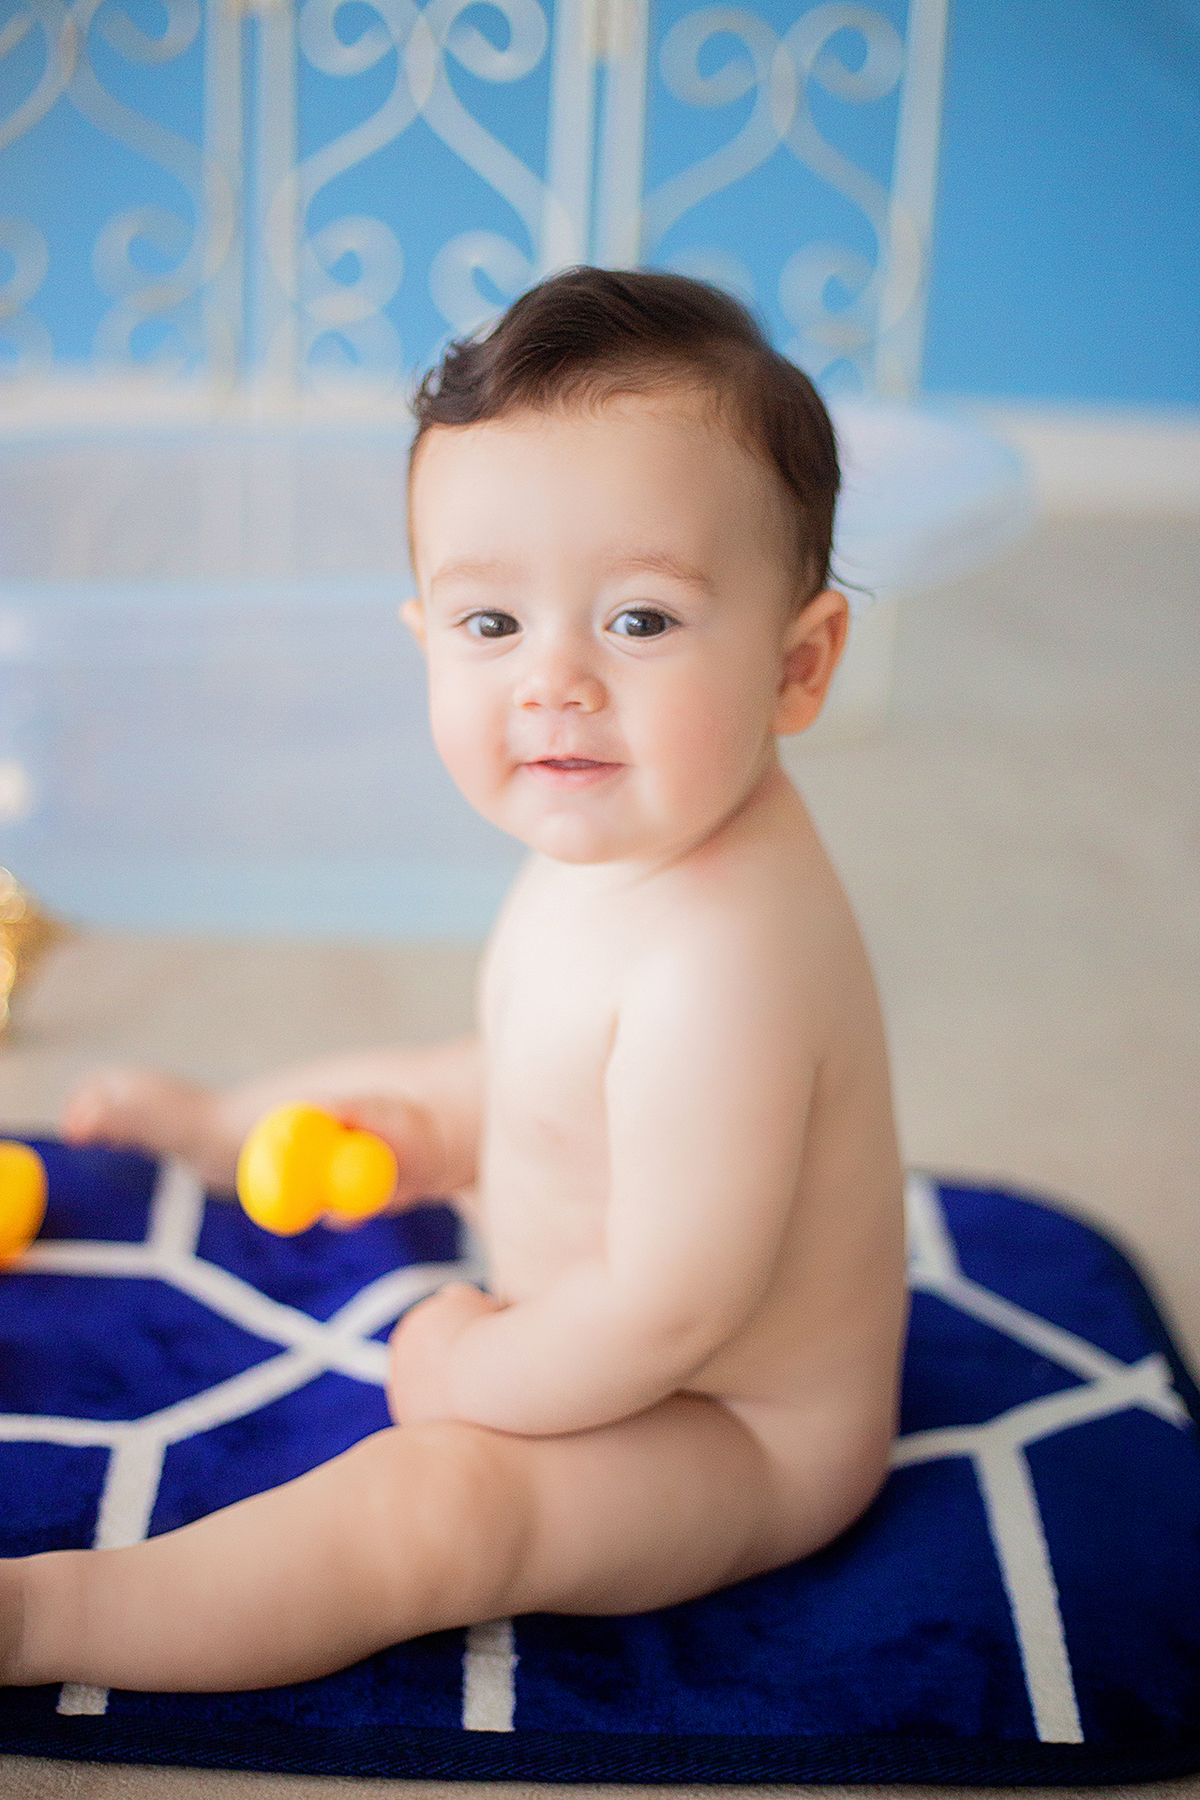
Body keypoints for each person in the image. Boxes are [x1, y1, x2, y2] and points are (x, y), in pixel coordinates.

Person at [2, 268, 906, 1692]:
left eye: (640, 621)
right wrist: (440, 1136)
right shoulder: (630, 829)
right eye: (493, 626)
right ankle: (227, 1124)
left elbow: (670, 1311)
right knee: (438, 1082)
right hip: (609, 1301)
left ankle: (49, 1619)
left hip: (733, 1421)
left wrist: (468, 1369)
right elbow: (546, 1075)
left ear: (800, 665)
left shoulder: (727, 966)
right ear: (426, 638)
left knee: (447, 1503)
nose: (555, 681)